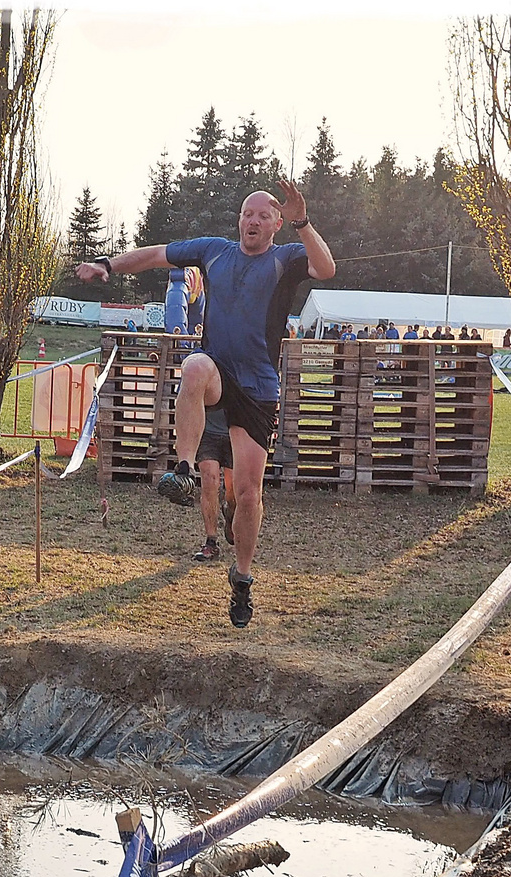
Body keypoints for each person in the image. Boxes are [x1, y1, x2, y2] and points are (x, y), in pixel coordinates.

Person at [76, 179, 335, 627]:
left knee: (250, 495)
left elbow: (326, 269)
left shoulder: (285, 259)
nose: (252, 220)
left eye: (262, 215)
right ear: (239, 221)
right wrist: (108, 264)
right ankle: (183, 470)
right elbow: (158, 254)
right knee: (194, 365)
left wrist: (304, 223)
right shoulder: (215, 251)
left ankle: (243, 577)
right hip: (217, 373)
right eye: (246, 214)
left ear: (275, 223)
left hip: (257, 388)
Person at [191, 406, 237, 562]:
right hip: (207, 432)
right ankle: (211, 542)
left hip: (237, 431)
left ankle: (230, 513)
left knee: (233, 490)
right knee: (209, 480)